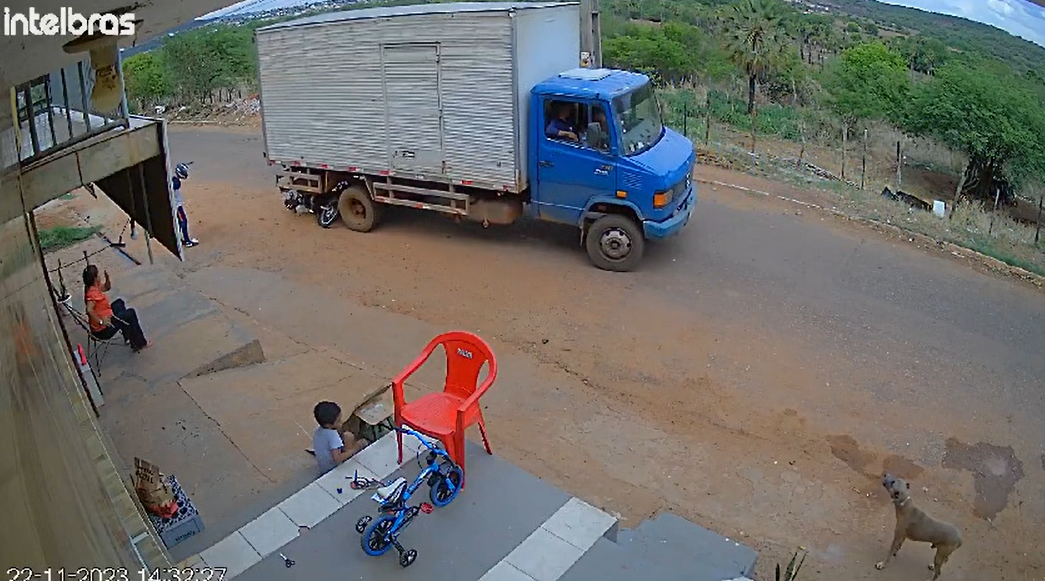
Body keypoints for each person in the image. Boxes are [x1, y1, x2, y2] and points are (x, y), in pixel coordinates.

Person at [83, 264, 149, 352]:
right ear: (95, 278)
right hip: (104, 329)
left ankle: (128, 337)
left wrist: (107, 278)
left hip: (108, 317)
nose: (99, 276)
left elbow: (107, 287)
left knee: (119, 303)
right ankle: (140, 343)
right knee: (130, 313)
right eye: (98, 274)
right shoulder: (91, 294)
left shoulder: (94, 287)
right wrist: (101, 321)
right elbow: (89, 310)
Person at [310, 401, 367, 475]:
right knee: (353, 441)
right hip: (332, 469)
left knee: (348, 436)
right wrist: (356, 448)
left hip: (323, 467)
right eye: (338, 421)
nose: (341, 422)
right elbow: (337, 459)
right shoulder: (333, 436)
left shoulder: (318, 430)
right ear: (328, 425)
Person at [172, 162, 199, 248]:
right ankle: (187, 241)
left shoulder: (173, 180)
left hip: (176, 205)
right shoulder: (176, 183)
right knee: (183, 222)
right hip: (176, 206)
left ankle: (180, 239)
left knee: (180, 223)